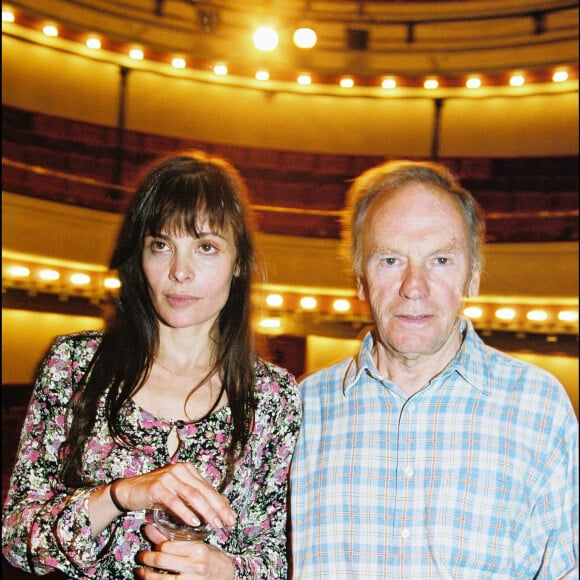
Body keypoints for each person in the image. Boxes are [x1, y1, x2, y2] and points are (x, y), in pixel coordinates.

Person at [2, 150, 302, 578]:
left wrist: (227, 573)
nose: (179, 272)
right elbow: (17, 541)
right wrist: (122, 494)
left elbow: (273, 559)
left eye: (206, 247)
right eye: (161, 245)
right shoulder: (74, 365)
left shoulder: (273, 397)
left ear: (239, 263)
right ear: (138, 257)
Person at [289, 159, 579, 578]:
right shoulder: (301, 409)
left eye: (440, 260)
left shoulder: (539, 407)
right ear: (359, 277)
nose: (414, 286)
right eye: (390, 260)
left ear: (473, 276)